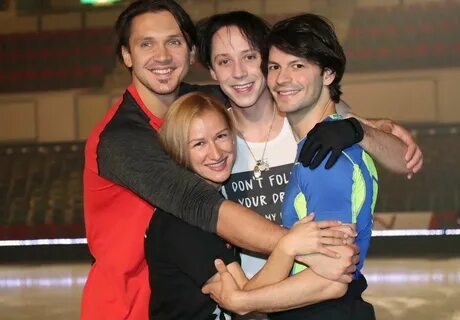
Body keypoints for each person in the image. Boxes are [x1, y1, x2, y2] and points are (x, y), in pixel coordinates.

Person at [82, 2, 359, 320]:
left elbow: (295, 93)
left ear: (190, 52)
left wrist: (357, 126)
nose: (162, 56)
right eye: (146, 44)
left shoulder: (201, 104)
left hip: (197, 294)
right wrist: (305, 247)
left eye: (173, 42)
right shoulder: (120, 139)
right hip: (126, 308)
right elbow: (198, 203)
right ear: (127, 56)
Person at [196, 11, 421, 319]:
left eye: (250, 57)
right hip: (269, 300)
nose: (239, 72)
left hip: (305, 305)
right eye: (224, 61)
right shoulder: (212, 142)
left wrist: (242, 301)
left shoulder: (323, 145)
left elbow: (333, 275)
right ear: (211, 70)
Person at [145, 92, 352, 320]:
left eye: (221, 136)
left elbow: (246, 300)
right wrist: (287, 246)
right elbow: (249, 305)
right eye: (199, 144)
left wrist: (329, 284)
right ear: (178, 151)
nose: (215, 153)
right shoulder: (181, 221)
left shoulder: (219, 202)